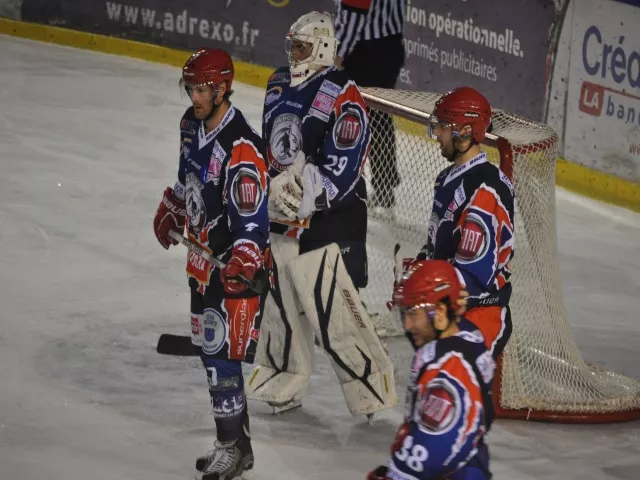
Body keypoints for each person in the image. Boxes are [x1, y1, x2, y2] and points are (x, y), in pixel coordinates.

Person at [245, 11, 398, 418]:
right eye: (291, 45)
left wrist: (302, 191)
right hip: (282, 213)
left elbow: (343, 165)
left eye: (302, 46)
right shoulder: (278, 83)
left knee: (330, 308)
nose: (294, 53)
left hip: (330, 216)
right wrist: (269, 188)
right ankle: (282, 374)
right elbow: (270, 148)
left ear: (325, 46)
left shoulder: (343, 92)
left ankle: (370, 385)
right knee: (279, 303)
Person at [152, 47, 270, 480]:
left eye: (202, 89)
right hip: (201, 264)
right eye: (191, 88)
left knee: (223, 358)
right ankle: (236, 443)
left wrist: (243, 257)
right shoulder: (190, 126)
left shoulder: (241, 147)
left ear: (223, 88)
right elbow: (189, 179)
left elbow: (252, 220)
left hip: (232, 270)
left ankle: (231, 448)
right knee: (209, 355)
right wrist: (174, 206)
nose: (195, 96)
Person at [368, 259, 495, 480]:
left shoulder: (449, 372)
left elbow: (436, 445)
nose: (407, 326)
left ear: (439, 312)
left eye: (412, 314)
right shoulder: (461, 337)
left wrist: (397, 475)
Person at [415, 86, 516, 361]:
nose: (437, 133)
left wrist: (424, 284)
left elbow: (474, 276)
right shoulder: (448, 177)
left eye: (444, 126)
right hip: (452, 311)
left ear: (467, 131)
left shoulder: (485, 188)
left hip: (478, 319)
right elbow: (442, 244)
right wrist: (422, 264)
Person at [334, 0, 406, 215]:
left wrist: (337, 55)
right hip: (389, 46)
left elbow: (353, 17)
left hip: (365, 51)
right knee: (378, 119)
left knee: (353, 118)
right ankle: (384, 188)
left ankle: (348, 186)